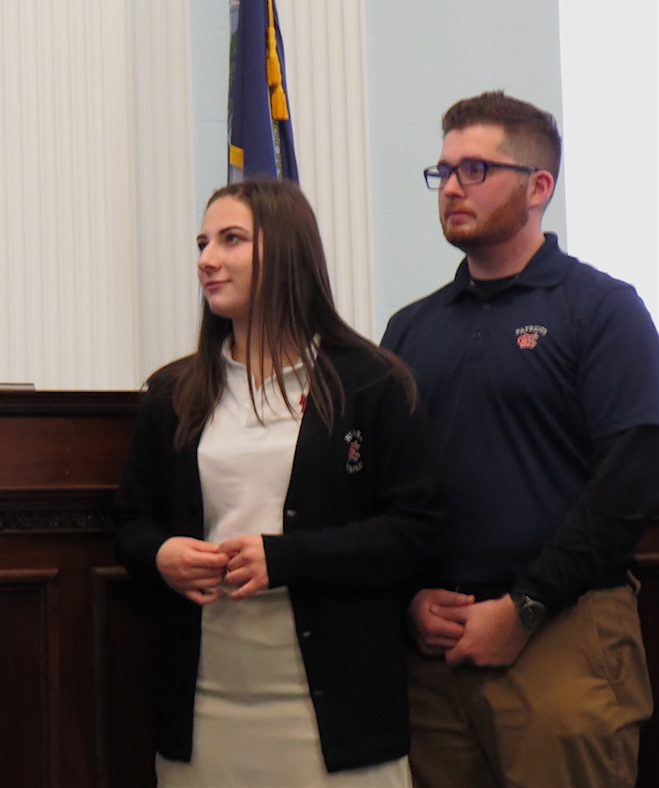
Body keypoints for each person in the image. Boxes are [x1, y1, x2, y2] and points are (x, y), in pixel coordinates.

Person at [114, 179, 442, 786]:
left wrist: (286, 558)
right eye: (203, 243)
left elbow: (416, 530)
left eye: (231, 240)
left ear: (287, 251)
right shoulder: (172, 392)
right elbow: (131, 523)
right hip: (205, 702)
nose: (207, 259)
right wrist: (161, 555)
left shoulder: (371, 383)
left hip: (336, 707)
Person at [381, 90, 659, 788]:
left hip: (564, 631)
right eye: (443, 171)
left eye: (474, 170)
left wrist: (525, 606)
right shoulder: (410, 329)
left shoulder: (602, 309)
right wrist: (409, 596)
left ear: (539, 187)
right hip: (436, 650)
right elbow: (386, 488)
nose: (451, 188)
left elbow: (630, 480)